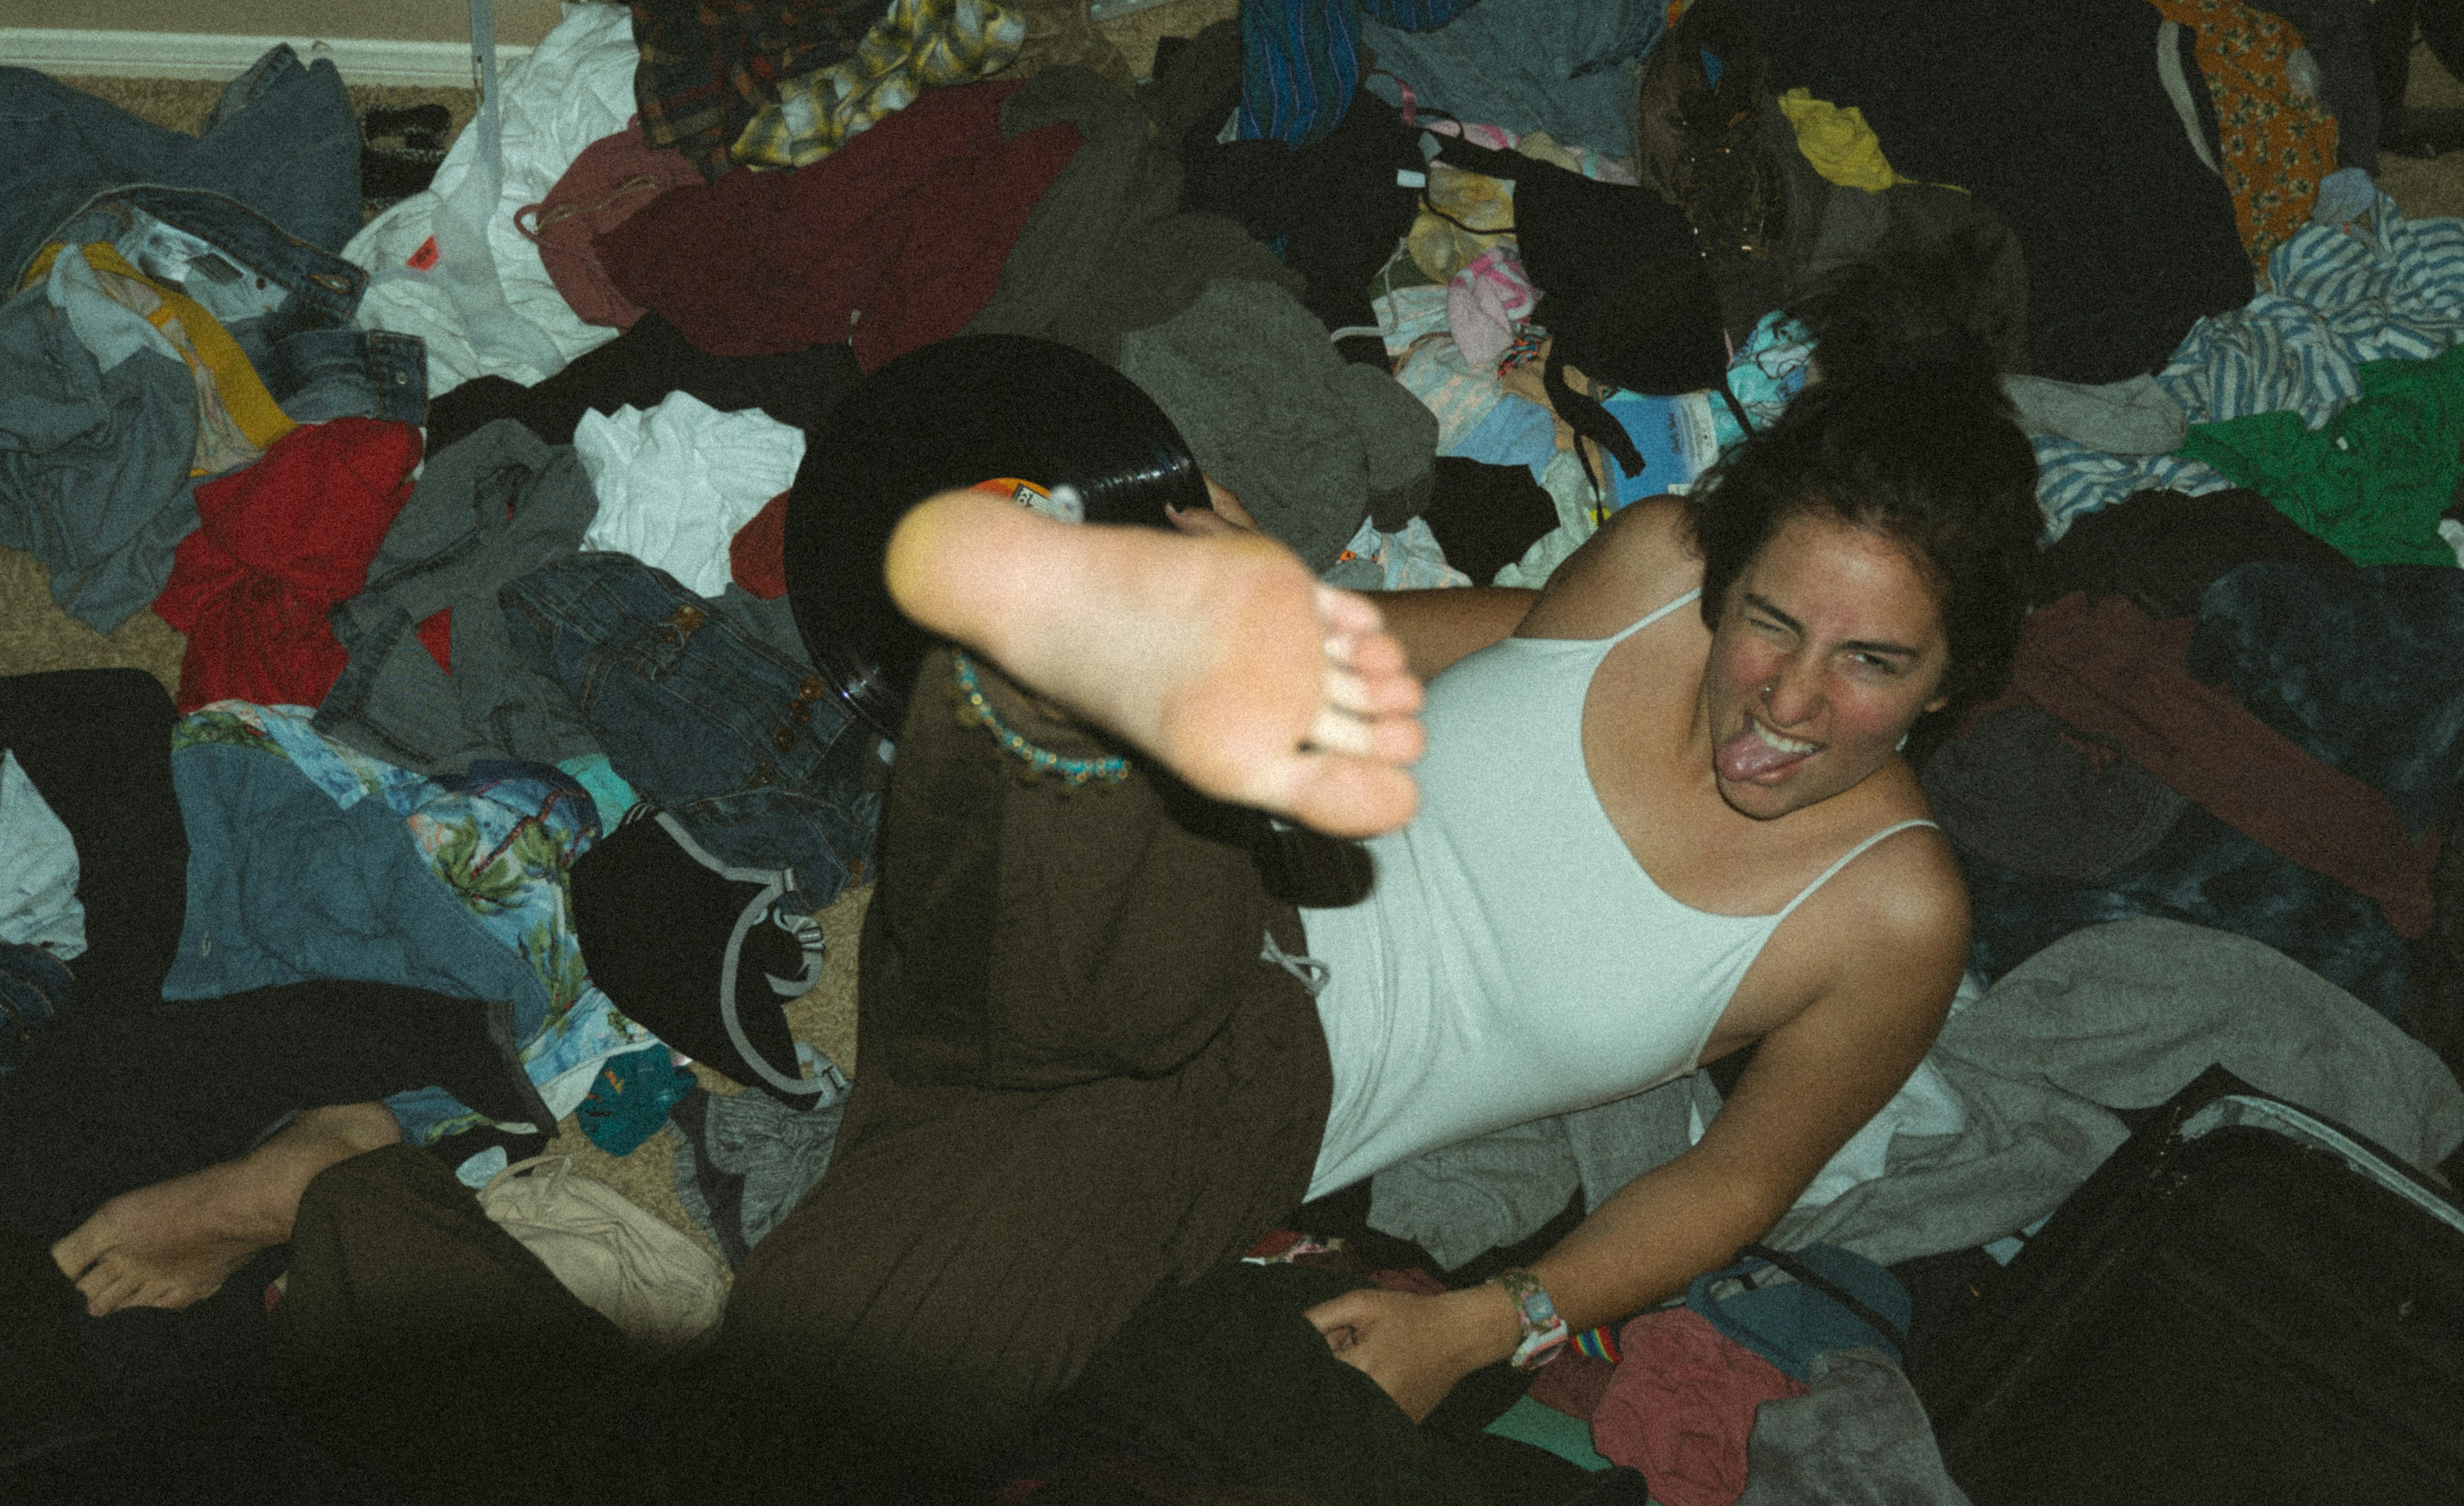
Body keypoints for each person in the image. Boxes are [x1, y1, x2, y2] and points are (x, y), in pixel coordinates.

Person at [714, 365, 2039, 1443]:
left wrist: (1480, 1324)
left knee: (834, 1364)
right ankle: (1074, 684)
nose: (1790, 700)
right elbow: (1378, 646)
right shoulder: (1645, 573)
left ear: (1950, 680)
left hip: (1241, 1084)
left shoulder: (1892, 915)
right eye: (1770, 621)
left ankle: (1065, 684)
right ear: (1726, 575)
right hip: (1191, 856)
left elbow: (1739, 1178)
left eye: (1872, 662)